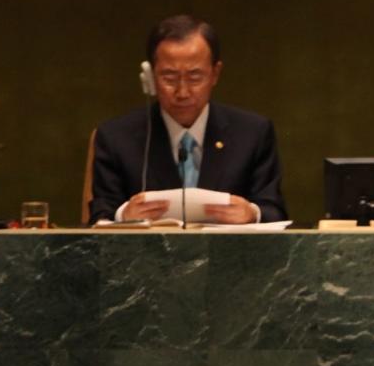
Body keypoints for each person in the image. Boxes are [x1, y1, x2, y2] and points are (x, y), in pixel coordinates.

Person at [87, 15, 286, 225]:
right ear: (150, 77)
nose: (182, 92)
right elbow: (99, 215)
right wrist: (123, 216)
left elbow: (275, 210)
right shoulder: (116, 138)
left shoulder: (252, 133)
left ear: (215, 74)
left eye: (195, 77)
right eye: (169, 78)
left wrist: (252, 213)